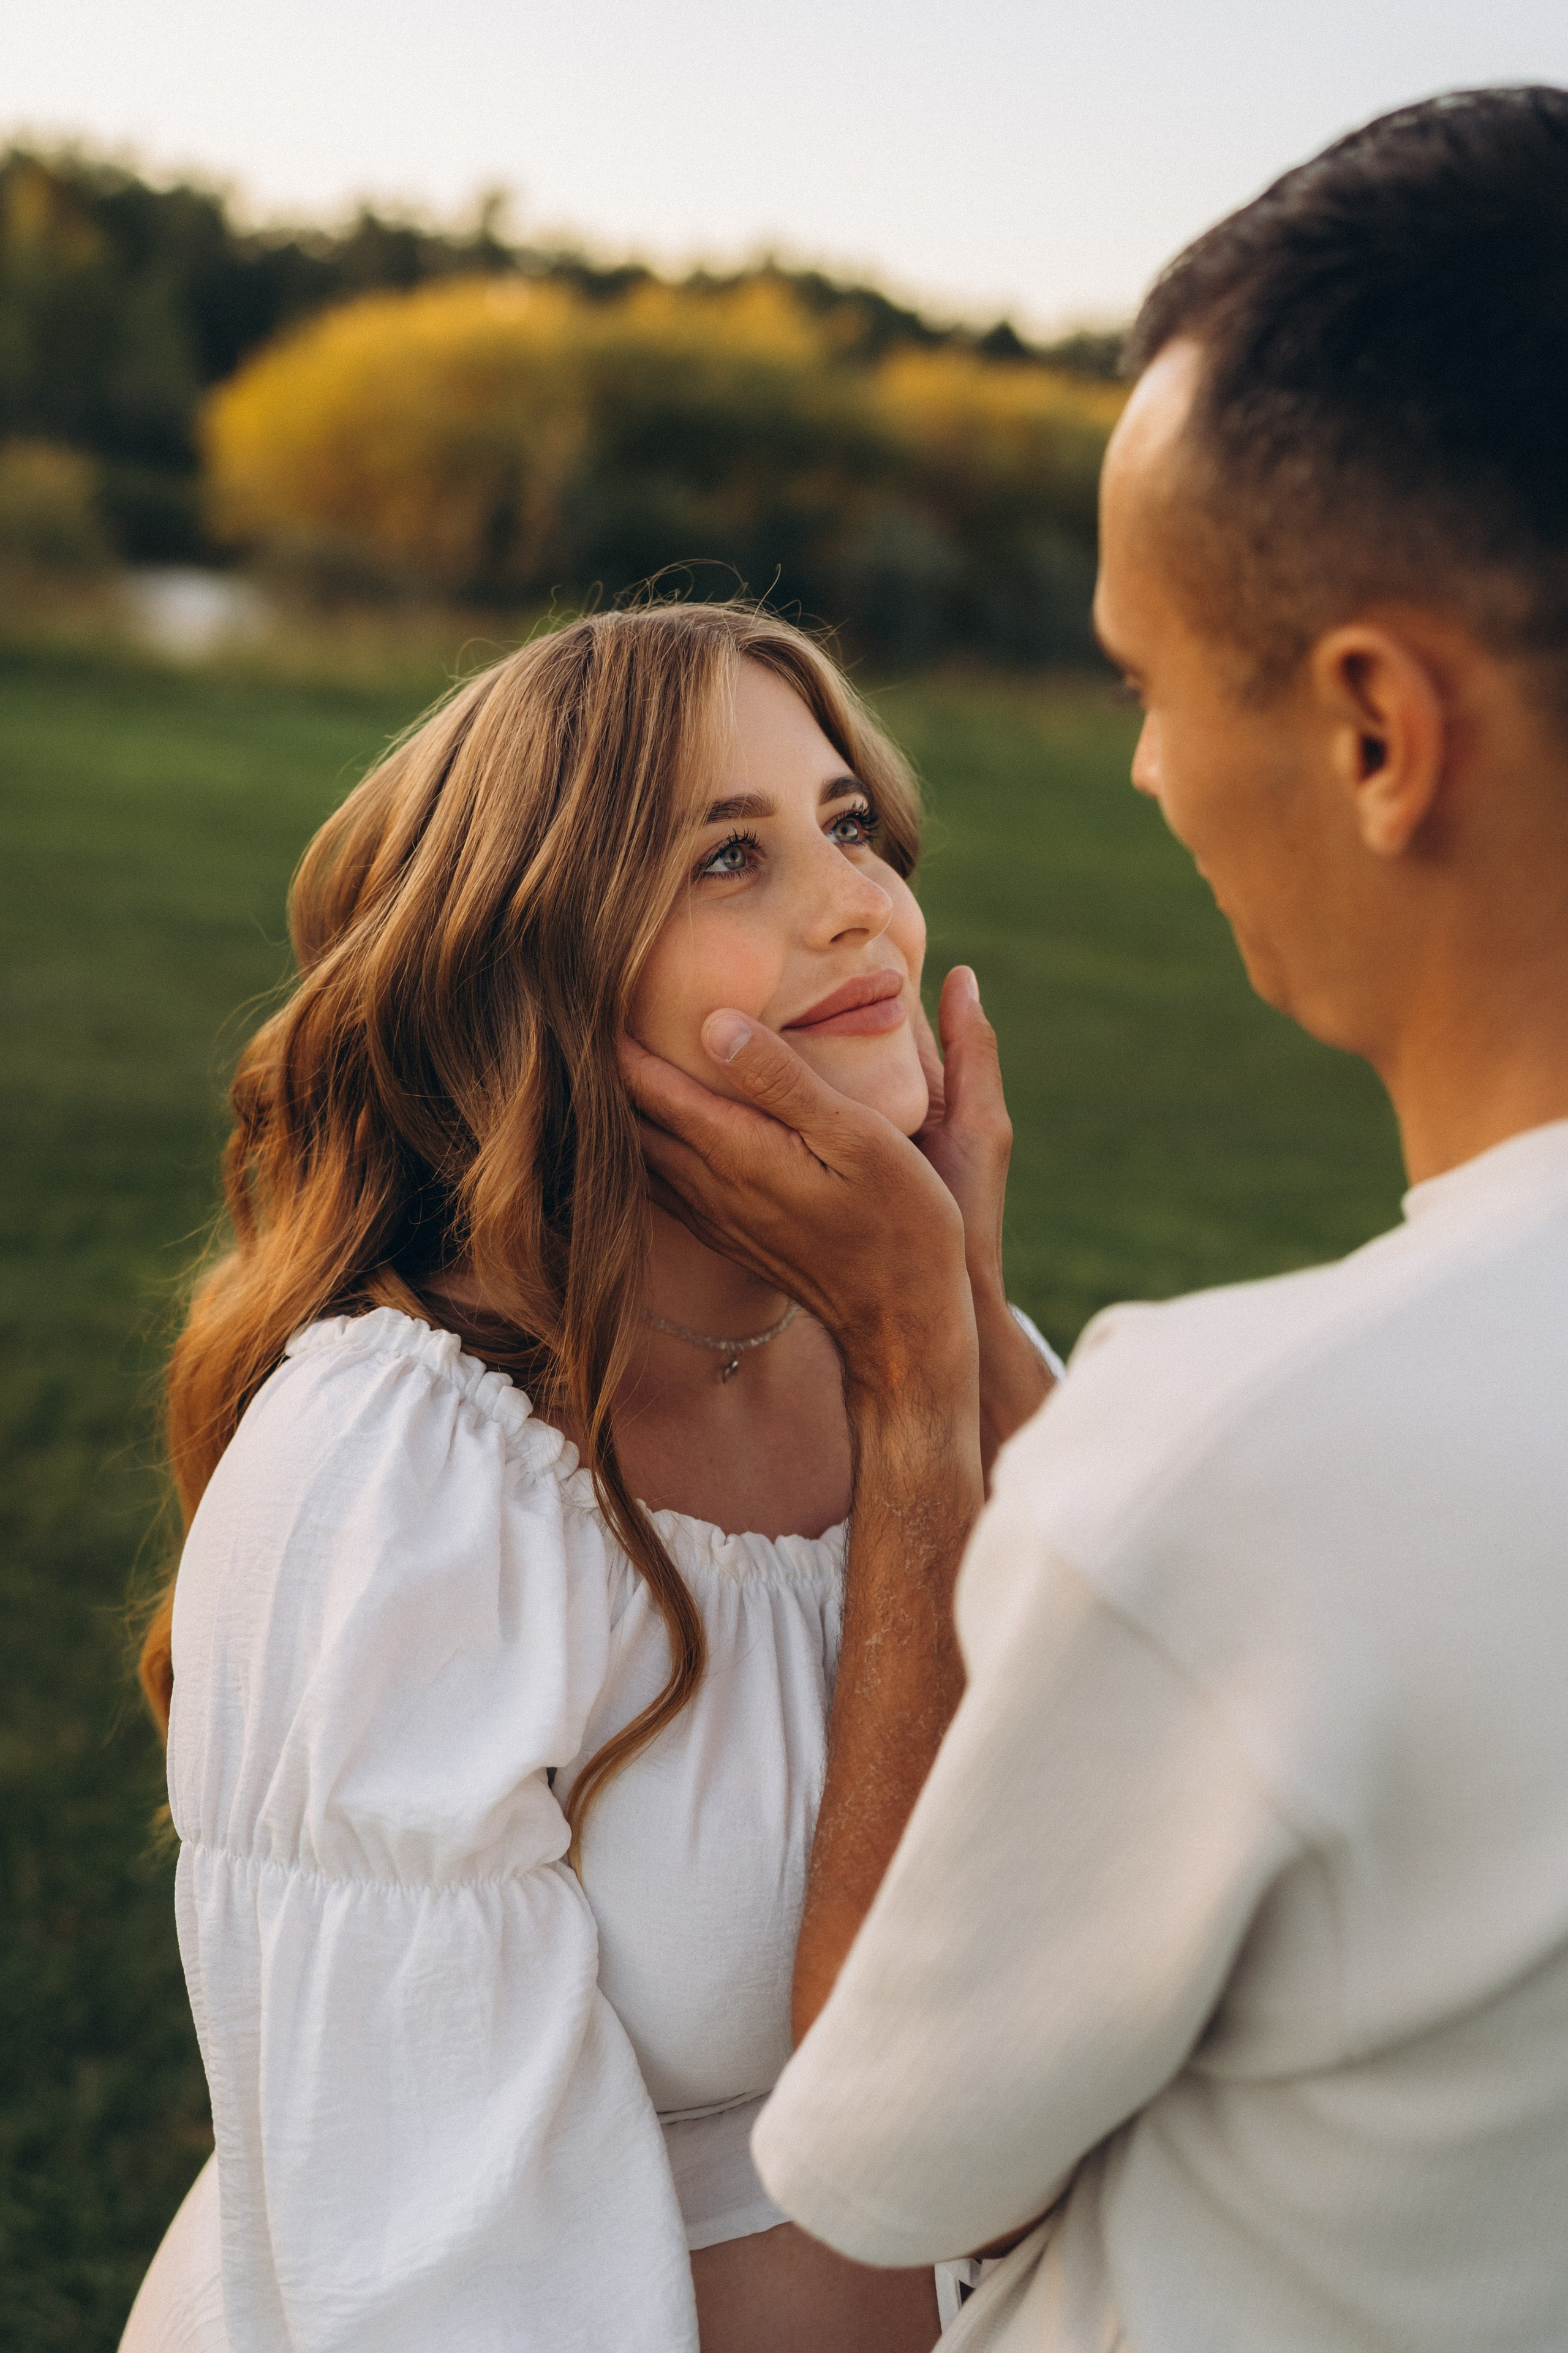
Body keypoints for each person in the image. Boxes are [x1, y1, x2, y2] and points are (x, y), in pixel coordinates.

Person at [624, 87, 1568, 2353]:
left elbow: (874, 2156)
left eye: (1148, 681)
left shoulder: (1246, 1471)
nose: (1139, 770)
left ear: (1374, 731)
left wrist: (923, 1373)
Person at [118, 603, 1056, 2353]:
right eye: (730, 857)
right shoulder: (400, 1480)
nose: (858, 904)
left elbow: (1048, 2018)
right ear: (542, 964)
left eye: (850, 825)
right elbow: (435, 2285)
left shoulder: (1001, 1371)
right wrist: (924, 1370)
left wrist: (953, 1347)